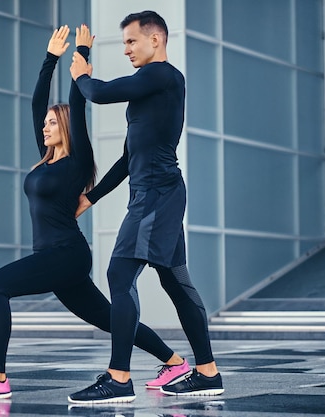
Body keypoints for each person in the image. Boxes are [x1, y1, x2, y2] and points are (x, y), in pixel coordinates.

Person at [0, 24, 191, 401]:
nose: (46, 127)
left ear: (64, 128)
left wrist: (81, 55)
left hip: (66, 254)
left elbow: (78, 102)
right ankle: (175, 361)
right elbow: (37, 104)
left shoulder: (78, 162)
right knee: (106, 317)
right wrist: (50, 60)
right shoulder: (45, 160)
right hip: (53, 257)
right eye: (45, 124)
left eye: (53, 123)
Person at [68, 11, 224, 402]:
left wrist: (81, 74)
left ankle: (119, 378)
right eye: (123, 44)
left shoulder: (162, 76)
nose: (126, 50)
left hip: (157, 194)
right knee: (175, 281)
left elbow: (99, 93)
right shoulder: (147, 92)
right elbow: (126, 159)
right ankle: (207, 373)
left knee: (119, 273)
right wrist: (91, 197)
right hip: (155, 194)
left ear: (155, 40)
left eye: (131, 41)